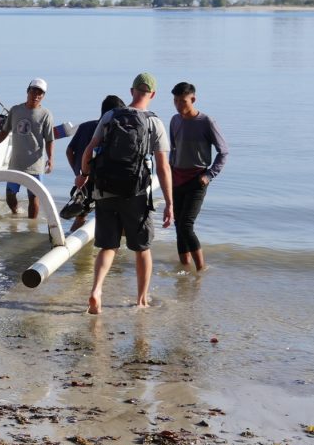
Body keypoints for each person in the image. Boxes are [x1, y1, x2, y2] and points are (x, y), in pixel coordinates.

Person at [75, 73, 173, 314]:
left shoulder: (110, 116)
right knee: (142, 248)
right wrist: (170, 203)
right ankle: (141, 299)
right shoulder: (154, 123)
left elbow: (89, 150)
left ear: (131, 92)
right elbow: (163, 167)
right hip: (136, 193)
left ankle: (96, 290)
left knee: (108, 246)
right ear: (152, 94)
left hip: (105, 189)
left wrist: (83, 175)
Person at [169, 81, 228, 271]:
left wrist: (209, 175)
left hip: (197, 180)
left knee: (186, 225)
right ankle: (184, 268)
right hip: (176, 179)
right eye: (176, 101)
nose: (179, 105)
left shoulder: (206, 122)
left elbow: (223, 151)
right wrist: (169, 171)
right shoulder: (174, 120)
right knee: (179, 226)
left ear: (193, 99)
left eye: (183, 101)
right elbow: (173, 149)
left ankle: (201, 270)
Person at [0, 78, 55, 218]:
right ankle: (16, 214)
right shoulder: (15, 110)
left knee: (34, 197)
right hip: (16, 163)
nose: (36, 95)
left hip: (35, 164)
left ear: (43, 96)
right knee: (10, 196)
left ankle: (31, 227)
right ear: (28, 91)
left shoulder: (46, 115)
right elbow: (4, 132)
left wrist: (51, 159)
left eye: (40, 93)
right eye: (34, 91)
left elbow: (50, 139)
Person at [65, 95, 126, 231]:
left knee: (80, 217)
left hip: (83, 181)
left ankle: (70, 243)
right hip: (102, 183)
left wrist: (78, 172)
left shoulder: (85, 126)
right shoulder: (112, 130)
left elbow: (69, 151)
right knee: (114, 217)